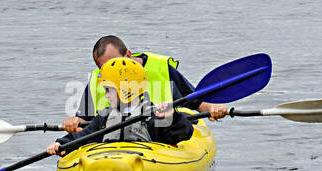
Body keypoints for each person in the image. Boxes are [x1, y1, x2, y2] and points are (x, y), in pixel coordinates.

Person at [50, 34, 227, 156]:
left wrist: (213, 108)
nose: (107, 72)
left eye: (115, 63)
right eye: (102, 68)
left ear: (128, 55)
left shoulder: (162, 71)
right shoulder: (102, 106)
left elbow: (196, 105)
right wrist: (65, 137)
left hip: (158, 139)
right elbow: (84, 127)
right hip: (111, 146)